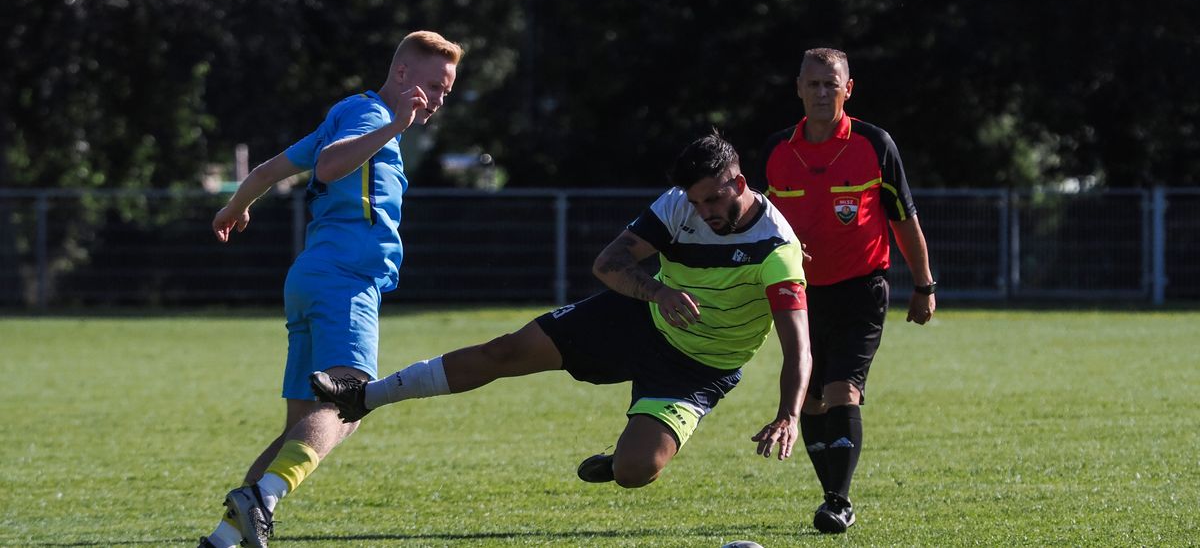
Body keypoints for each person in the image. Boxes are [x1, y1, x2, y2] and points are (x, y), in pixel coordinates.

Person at [310, 132, 812, 491]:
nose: (703, 214)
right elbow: (609, 263)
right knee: (504, 351)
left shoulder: (777, 248)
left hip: (699, 367)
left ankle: (620, 458)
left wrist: (788, 415)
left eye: (712, 201)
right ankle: (365, 397)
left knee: (634, 473)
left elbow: (798, 346)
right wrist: (658, 294)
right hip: (639, 319)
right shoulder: (679, 206)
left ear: (740, 184)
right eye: (696, 203)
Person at [197, 31, 464, 548]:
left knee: (302, 425)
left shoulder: (349, 113)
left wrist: (235, 207)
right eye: (432, 87)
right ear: (403, 74)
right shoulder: (373, 117)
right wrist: (395, 125)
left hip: (312, 279)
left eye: (445, 94)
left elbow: (272, 169)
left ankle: (225, 539)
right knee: (350, 402)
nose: (436, 101)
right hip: (343, 281)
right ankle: (263, 499)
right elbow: (329, 166)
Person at [762, 47, 936, 534]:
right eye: (812, 84)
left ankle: (838, 503)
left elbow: (904, 219)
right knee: (813, 399)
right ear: (798, 88)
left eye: (830, 84)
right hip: (798, 295)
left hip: (863, 288)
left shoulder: (874, 144)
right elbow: (761, 225)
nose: (821, 92)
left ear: (848, 88)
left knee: (843, 391)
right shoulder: (777, 151)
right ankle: (833, 495)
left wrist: (924, 285)